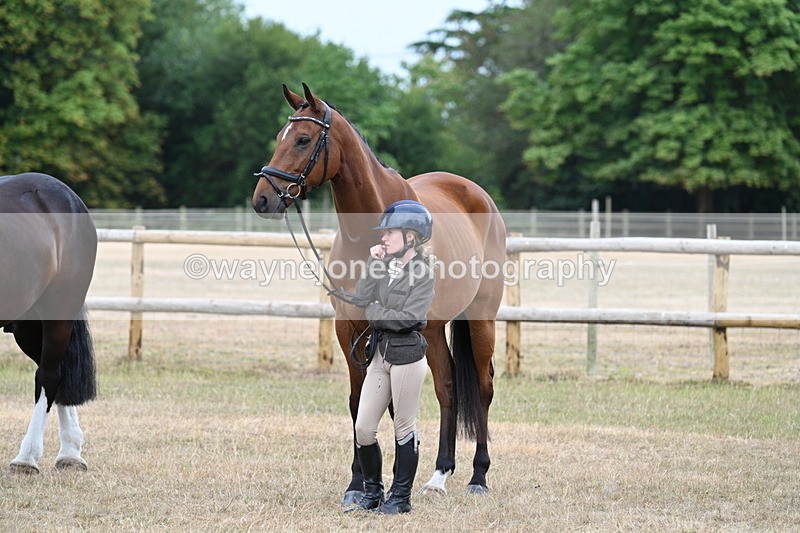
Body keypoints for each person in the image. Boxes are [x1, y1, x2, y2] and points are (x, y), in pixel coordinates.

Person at [348, 200, 435, 514]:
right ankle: (373, 493)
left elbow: (410, 318)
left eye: (390, 233)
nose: (383, 238)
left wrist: (374, 312)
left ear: (411, 237)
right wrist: (373, 264)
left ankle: (400, 499)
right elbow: (359, 298)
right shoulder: (383, 264)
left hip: (407, 358)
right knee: (364, 428)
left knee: (403, 427)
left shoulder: (423, 273)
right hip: (379, 356)